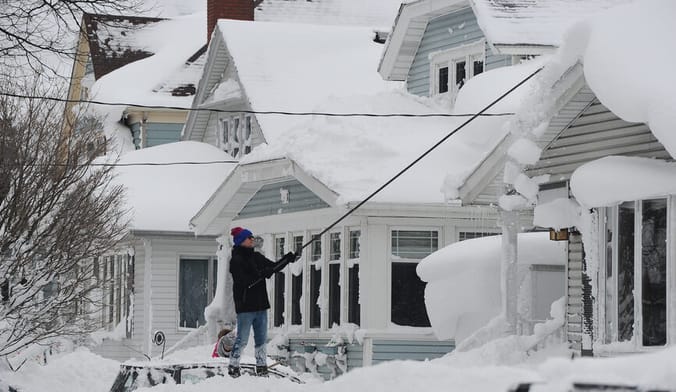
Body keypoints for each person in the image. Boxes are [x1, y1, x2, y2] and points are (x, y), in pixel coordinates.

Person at [227, 227, 298, 377]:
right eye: (249, 238)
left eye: (252, 237)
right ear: (241, 241)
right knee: (243, 339)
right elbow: (244, 281)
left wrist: (287, 259)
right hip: (245, 307)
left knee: (261, 339)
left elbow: (272, 267)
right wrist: (261, 274)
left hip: (261, 305)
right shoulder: (236, 260)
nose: (252, 239)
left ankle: (261, 366)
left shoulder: (256, 257)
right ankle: (233, 366)